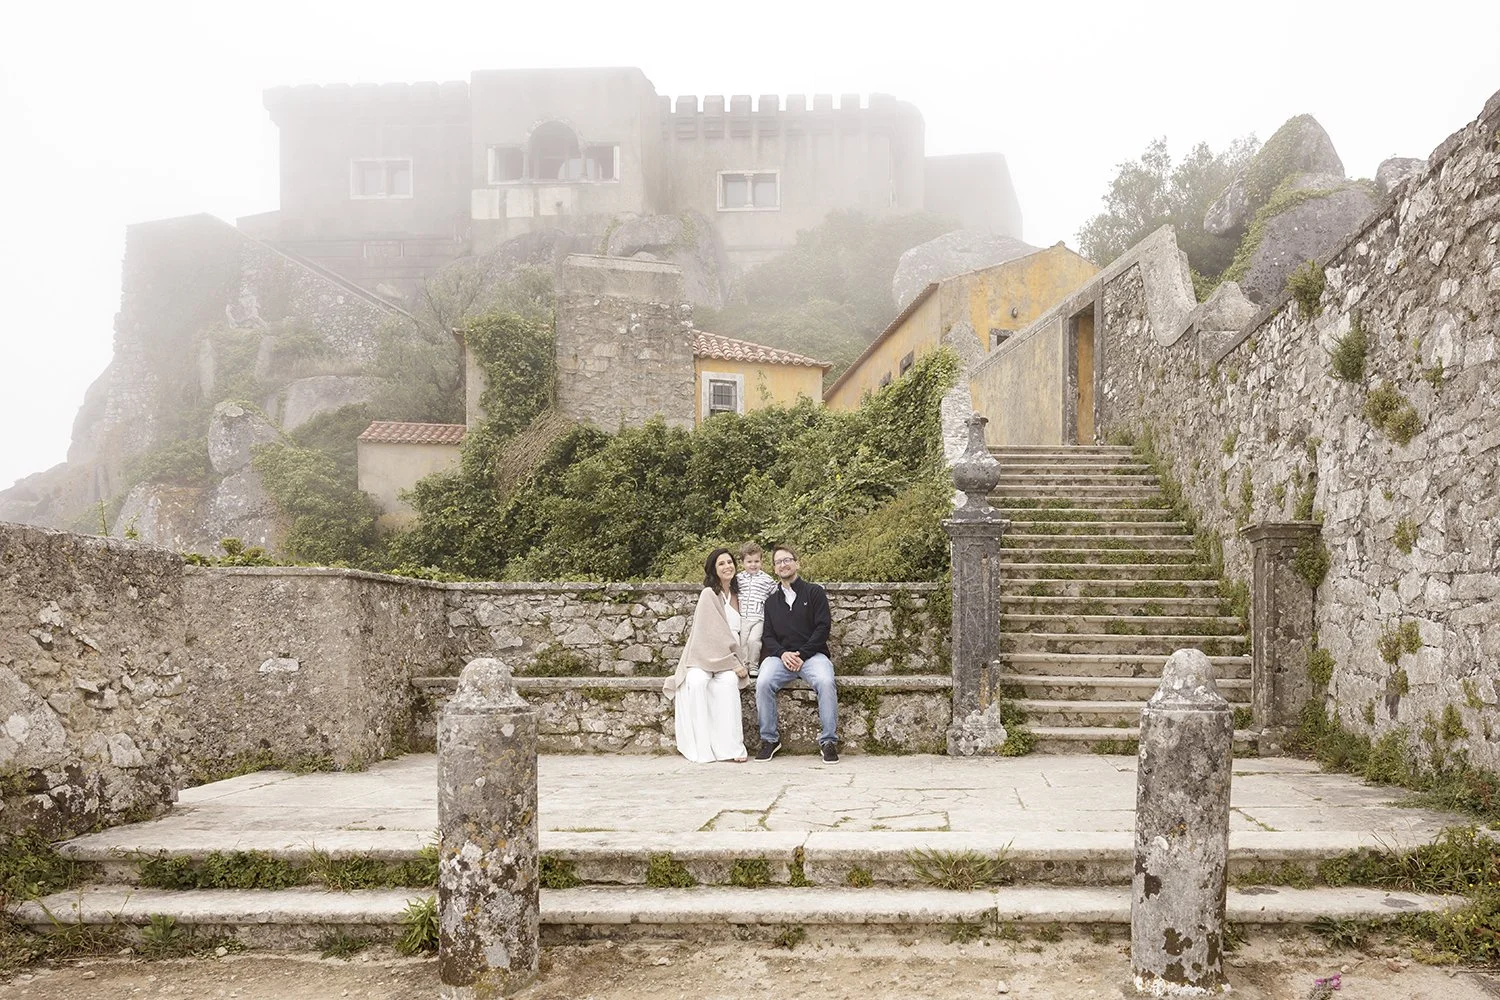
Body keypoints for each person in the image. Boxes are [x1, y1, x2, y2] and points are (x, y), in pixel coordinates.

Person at [662, 548, 750, 763]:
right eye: (721, 564)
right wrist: (732, 661)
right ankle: (702, 749)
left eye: (730, 562)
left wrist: (737, 661)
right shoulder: (709, 594)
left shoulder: (739, 595)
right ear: (713, 569)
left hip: (730, 657)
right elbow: (711, 633)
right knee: (697, 681)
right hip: (704, 654)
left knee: (729, 682)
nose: (727, 566)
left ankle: (730, 749)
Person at [755, 544, 839, 763]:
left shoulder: (814, 592)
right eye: (778, 562)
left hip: (812, 656)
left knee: (825, 681)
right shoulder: (771, 602)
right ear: (774, 569)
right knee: (763, 682)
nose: (783, 564)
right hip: (781, 658)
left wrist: (802, 654)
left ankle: (828, 741)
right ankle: (770, 740)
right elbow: (768, 636)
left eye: (787, 560)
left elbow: (823, 628)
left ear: (796, 563)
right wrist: (783, 654)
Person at [735, 542, 778, 677]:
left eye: (756, 561)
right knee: (742, 642)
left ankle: (754, 666)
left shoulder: (767, 580)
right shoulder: (738, 579)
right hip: (743, 617)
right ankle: (744, 665)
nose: (753, 565)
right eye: (749, 562)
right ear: (742, 562)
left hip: (759, 618)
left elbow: (776, 595)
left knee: (754, 641)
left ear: (761, 561)